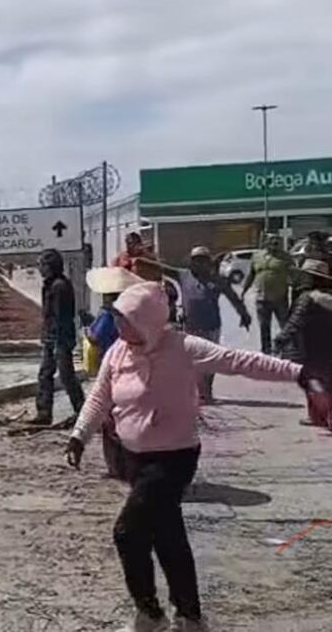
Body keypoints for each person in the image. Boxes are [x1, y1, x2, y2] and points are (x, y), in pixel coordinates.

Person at [65, 281, 309, 632]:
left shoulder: (182, 347)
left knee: (128, 533)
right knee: (168, 537)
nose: (119, 327)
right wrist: (79, 435)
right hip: (133, 458)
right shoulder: (118, 352)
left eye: (126, 320)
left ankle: (149, 614)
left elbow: (240, 361)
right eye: (117, 318)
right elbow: (100, 397)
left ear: (147, 320)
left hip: (173, 458)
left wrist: (299, 373)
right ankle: (190, 618)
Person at [143, 247, 252, 404]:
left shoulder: (217, 280)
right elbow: (161, 268)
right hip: (191, 326)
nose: (199, 264)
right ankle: (196, 392)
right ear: (191, 262)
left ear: (208, 262)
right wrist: (141, 259)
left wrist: (244, 315)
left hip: (212, 326)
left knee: (210, 361)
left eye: (203, 260)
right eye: (196, 260)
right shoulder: (183, 275)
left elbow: (233, 298)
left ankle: (206, 392)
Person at [84, 266, 144, 479]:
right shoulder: (136, 313)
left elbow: (96, 338)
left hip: (110, 371)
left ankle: (115, 468)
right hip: (133, 369)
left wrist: (86, 329)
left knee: (109, 421)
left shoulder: (108, 315)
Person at [275, 260, 332, 428]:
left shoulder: (308, 298)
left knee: (312, 381)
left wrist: (281, 339)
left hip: (311, 346)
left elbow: (295, 321)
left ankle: (318, 417)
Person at [34, 249, 84, 425]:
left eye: (41, 264)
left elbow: (60, 317)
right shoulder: (51, 284)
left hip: (59, 338)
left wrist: (56, 341)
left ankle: (82, 411)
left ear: (50, 266)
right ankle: (44, 413)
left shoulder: (59, 286)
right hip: (52, 337)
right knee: (45, 375)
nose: (39, 268)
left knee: (66, 376)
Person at [242, 234, 293, 354]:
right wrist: (244, 291)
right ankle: (266, 350)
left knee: (285, 325)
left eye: (277, 242)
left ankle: (287, 350)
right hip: (261, 298)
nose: (275, 245)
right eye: (272, 242)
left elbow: (294, 275)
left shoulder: (285, 257)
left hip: (279, 298)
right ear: (266, 243)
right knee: (264, 327)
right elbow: (251, 274)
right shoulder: (257, 256)